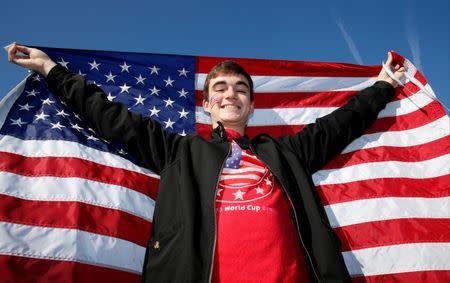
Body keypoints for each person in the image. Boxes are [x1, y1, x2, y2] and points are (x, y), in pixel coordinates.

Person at [8, 43, 404, 283]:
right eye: (221, 88)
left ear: (250, 103)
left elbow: (343, 122)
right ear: (208, 104)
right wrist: (49, 69)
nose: (231, 94)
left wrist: (384, 84)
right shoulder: (180, 152)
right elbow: (110, 116)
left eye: (241, 89)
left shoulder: (287, 153)